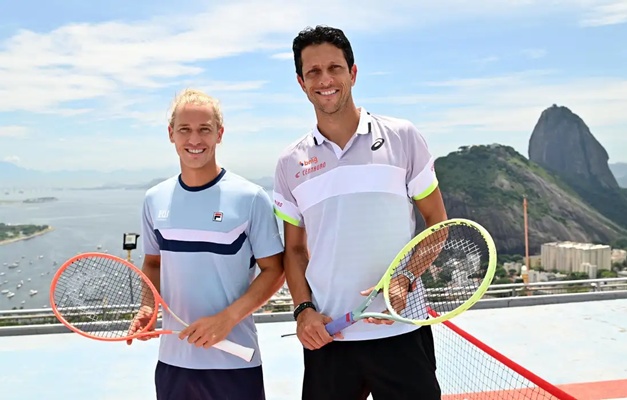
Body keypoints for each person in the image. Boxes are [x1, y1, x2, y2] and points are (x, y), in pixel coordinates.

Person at [272, 26, 448, 400]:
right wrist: (304, 310)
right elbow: (295, 251)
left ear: (352, 73)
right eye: (313, 72)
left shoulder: (403, 137)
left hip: (402, 331)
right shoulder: (290, 162)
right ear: (301, 82)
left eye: (334, 68)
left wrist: (404, 278)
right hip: (330, 337)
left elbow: (437, 224)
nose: (325, 80)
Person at [131, 88, 285, 400]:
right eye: (185, 130)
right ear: (171, 134)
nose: (195, 140)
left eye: (205, 129)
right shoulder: (154, 199)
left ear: (219, 134)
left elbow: (275, 270)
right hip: (173, 364)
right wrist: (148, 304)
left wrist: (226, 319)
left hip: (236, 362)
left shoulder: (250, 197)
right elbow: (153, 262)